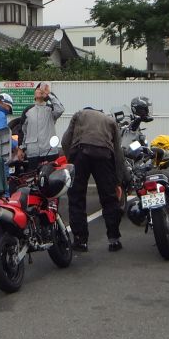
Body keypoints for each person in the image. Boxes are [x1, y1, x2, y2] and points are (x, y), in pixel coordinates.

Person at [61, 107, 126, 252]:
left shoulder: (79, 114)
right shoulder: (110, 120)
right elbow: (118, 153)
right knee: (109, 198)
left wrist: (71, 159)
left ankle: (80, 241)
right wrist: (118, 180)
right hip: (104, 154)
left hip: (80, 152)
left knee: (76, 197)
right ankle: (114, 240)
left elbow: (65, 140)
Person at [19, 82, 64, 157]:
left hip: (50, 151)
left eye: (42, 89)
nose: (40, 90)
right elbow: (22, 130)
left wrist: (49, 94)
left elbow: (60, 109)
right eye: (38, 89)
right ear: (34, 94)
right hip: (32, 153)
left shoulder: (51, 109)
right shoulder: (28, 110)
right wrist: (21, 148)